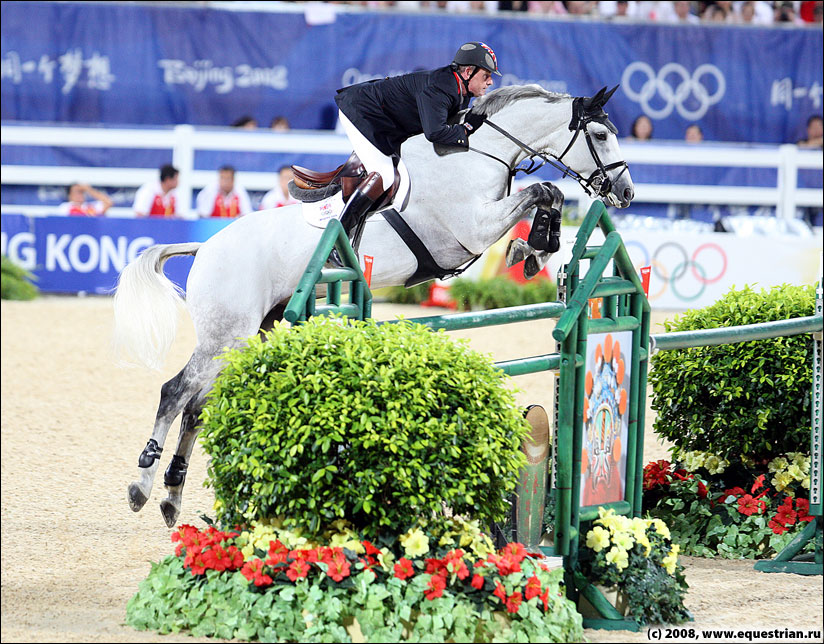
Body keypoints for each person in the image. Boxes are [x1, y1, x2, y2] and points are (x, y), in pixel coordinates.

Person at [332, 41, 499, 253]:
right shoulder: (440, 88)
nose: (491, 82)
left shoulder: (459, 90)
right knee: (384, 175)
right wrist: (466, 129)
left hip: (387, 123)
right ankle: (337, 244)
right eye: (486, 76)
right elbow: (435, 133)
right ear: (467, 71)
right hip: (361, 112)